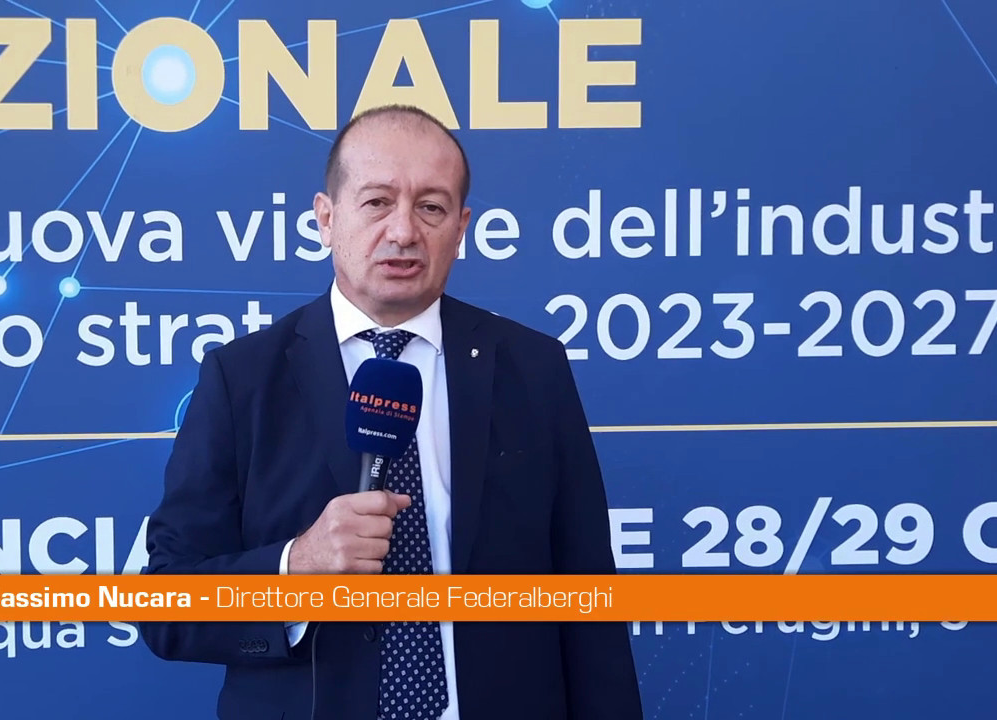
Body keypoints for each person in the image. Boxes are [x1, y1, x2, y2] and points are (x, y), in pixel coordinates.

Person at [140, 104, 642, 720]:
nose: (403, 231)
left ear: (461, 227)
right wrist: (297, 566)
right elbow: (166, 606)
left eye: (431, 207)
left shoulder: (533, 367)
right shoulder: (241, 378)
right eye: (377, 202)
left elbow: (588, 595)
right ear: (326, 218)